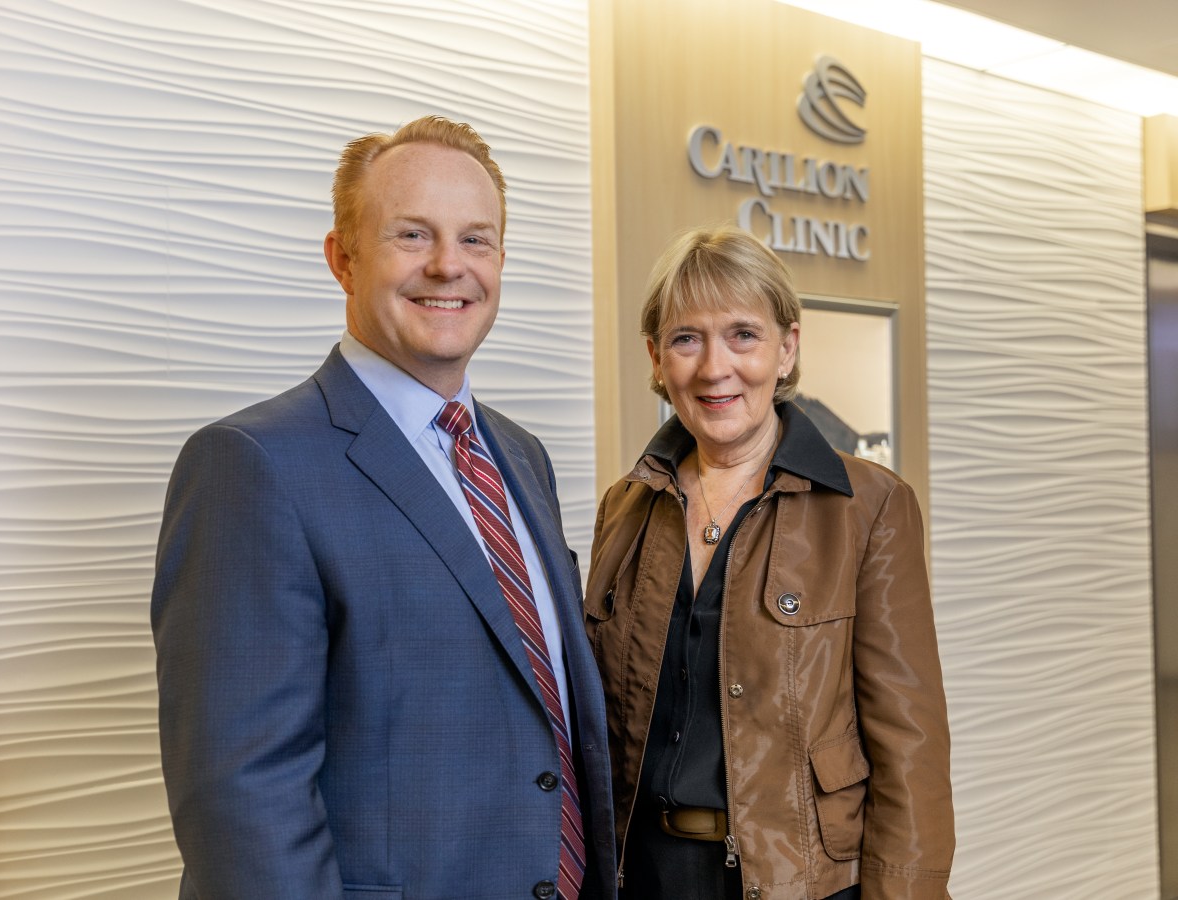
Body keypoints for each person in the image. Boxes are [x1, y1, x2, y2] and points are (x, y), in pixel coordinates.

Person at [152, 115, 615, 900]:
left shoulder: (522, 456)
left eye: (477, 240)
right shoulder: (251, 464)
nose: (448, 266)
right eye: (412, 235)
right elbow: (241, 800)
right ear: (343, 258)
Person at [584, 224, 954, 900]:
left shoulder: (868, 508)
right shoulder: (626, 507)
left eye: (743, 335)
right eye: (686, 338)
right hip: (643, 877)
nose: (714, 367)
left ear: (787, 348)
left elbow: (911, 746)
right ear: (656, 359)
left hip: (800, 882)